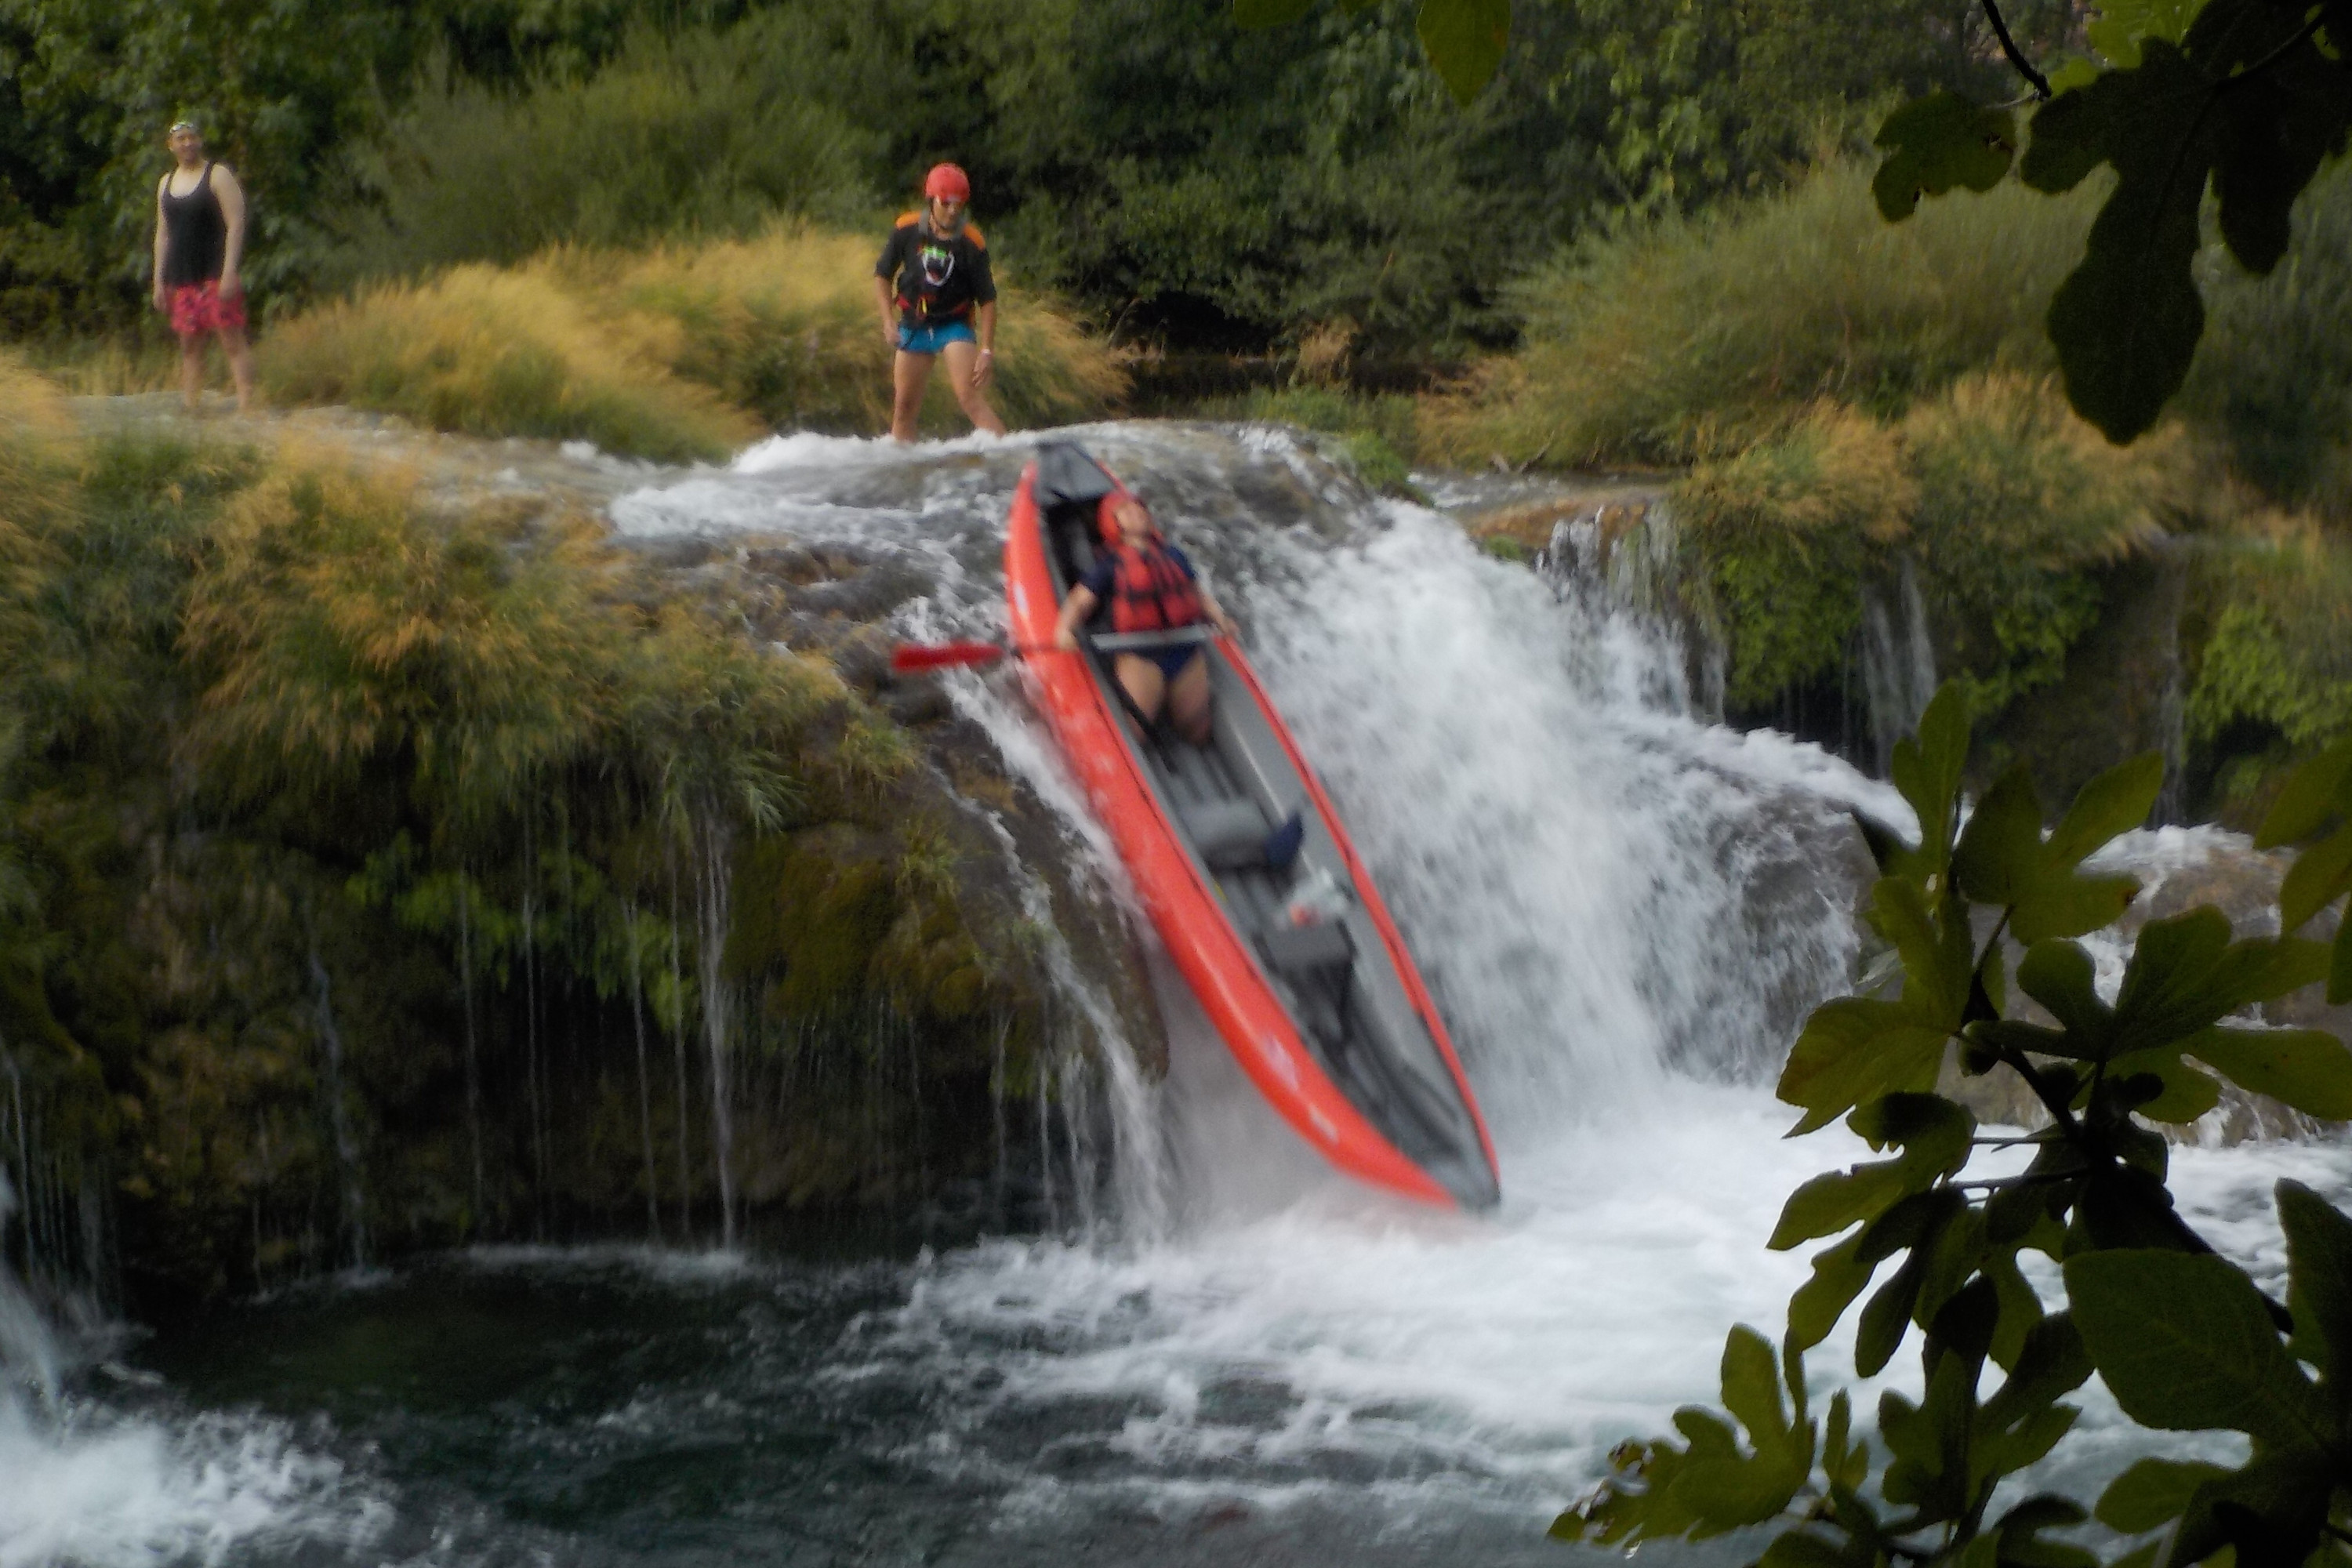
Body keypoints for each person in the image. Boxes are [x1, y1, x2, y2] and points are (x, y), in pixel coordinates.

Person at [1054, 492, 1240, 745]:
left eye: (1139, 509)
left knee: (1197, 731)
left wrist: (1221, 619)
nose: (1137, 513)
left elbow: (1198, 594)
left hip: (1184, 649)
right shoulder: (1110, 565)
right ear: (1114, 524)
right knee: (1137, 732)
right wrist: (1064, 630)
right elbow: (1079, 601)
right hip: (1140, 655)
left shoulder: (1173, 554)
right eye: (1126, 511)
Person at [873, 163, 1004, 442]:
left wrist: (986, 350)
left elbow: (988, 300)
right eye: (946, 203)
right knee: (904, 409)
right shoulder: (906, 229)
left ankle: (1014, 456)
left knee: (968, 397)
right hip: (914, 325)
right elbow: (882, 275)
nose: (953, 211)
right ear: (931, 200)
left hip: (954, 326)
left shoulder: (972, 242)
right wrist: (887, 321)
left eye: (959, 205)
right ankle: (906, 465)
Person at [151, 119, 255, 414]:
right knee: (189, 344)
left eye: (192, 137)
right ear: (171, 146)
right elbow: (163, 234)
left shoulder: (217, 175)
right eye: (181, 139)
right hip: (183, 275)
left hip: (215, 272)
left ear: (200, 141)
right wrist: (158, 281)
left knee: (230, 338)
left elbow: (236, 223)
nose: (187, 143)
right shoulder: (166, 183)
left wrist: (229, 271)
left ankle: (248, 405)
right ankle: (191, 404)